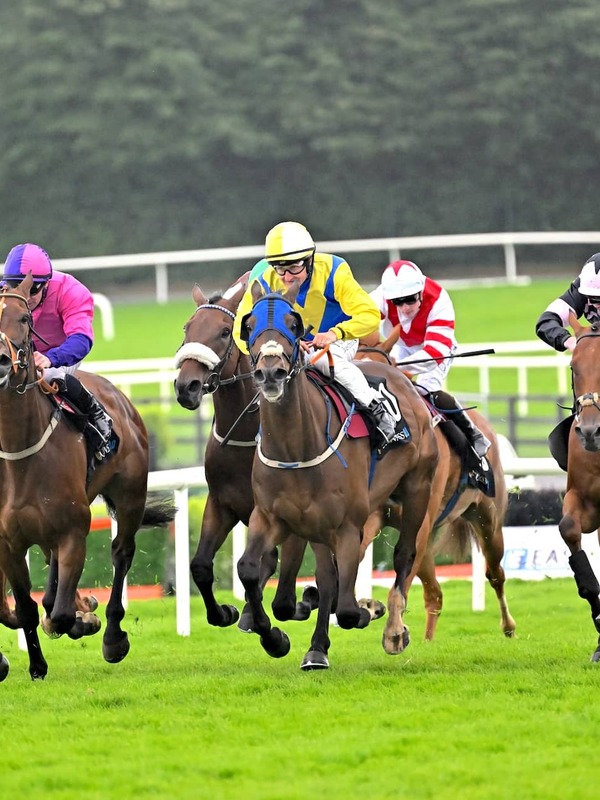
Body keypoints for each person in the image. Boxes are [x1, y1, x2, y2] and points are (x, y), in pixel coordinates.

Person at [234, 220, 397, 442]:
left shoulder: (334, 271)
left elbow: (369, 315)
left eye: (294, 267)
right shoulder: (264, 281)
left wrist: (335, 334)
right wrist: (278, 346)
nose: (287, 277)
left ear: (310, 259)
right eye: (280, 269)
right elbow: (239, 328)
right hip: (294, 344)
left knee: (323, 361)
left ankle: (377, 410)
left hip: (340, 338)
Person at [367, 258, 491, 458]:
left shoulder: (439, 301)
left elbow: (433, 354)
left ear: (421, 292)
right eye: (398, 302)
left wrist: (396, 367)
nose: (405, 307)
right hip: (401, 346)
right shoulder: (379, 298)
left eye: (410, 299)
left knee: (426, 389)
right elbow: (357, 326)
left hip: (436, 349)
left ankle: (473, 436)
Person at [1, 243, 112, 458]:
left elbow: (82, 339)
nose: (27, 294)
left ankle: (97, 418)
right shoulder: (4, 296)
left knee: (49, 375)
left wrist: (51, 358)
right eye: (17, 285)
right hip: (17, 353)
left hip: (60, 352)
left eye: (34, 288)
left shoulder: (71, 291)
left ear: (47, 284)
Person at [535, 251, 600, 352]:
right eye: (592, 298)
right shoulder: (584, 288)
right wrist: (569, 341)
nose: (596, 305)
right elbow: (546, 322)